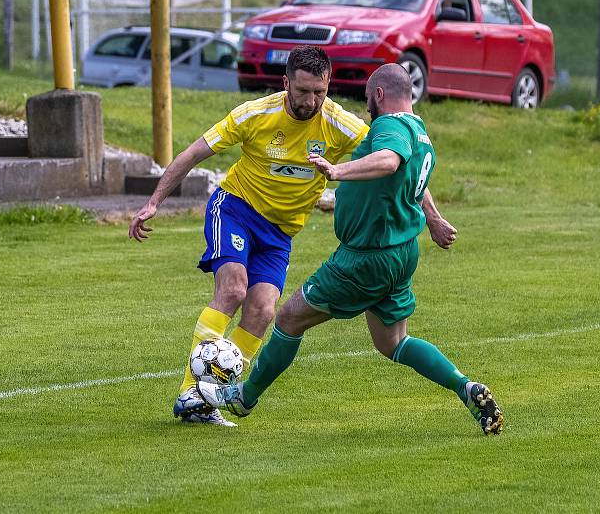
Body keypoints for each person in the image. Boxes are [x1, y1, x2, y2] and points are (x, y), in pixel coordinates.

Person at [189, 63, 504, 435]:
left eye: (369, 98)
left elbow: (389, 161)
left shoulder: (390, 126)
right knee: (395, 342)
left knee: (289, 319)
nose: (367, 107)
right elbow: (401, 177)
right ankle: (465, 387)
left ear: (380, 95)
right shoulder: (420, 133)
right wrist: (432, 218)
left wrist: (337, 172)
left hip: (365, 257)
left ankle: (245, 397)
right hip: (402, 253)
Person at [128, 46, 373, 427]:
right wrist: (154, 201)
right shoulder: (256, 114)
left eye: (319, 93)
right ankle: (190, 390)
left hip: (280, 232)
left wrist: (433, 216)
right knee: (233, 290)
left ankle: (209, 399)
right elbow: (193, 154)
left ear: (328, 86)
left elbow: (392, 157)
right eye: (303, 91)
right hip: (236, 208)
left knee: (262, 311)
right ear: (286, 82)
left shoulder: (340, 124)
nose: (310, 101)